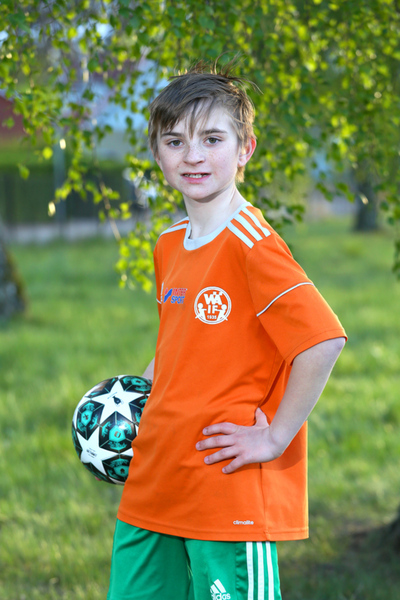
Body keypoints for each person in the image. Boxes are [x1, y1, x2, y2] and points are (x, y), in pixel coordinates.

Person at [107, 60, 347, 600]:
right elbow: (180, 344)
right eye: (175, 142)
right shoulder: (169, 243)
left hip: (224, 487)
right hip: (153, 482)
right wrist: (129, 402)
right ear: (157, 155)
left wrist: (275, 436)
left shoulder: (252, 244)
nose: (193, 156)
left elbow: (323, 339)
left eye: (212, 139)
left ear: (245, 150)